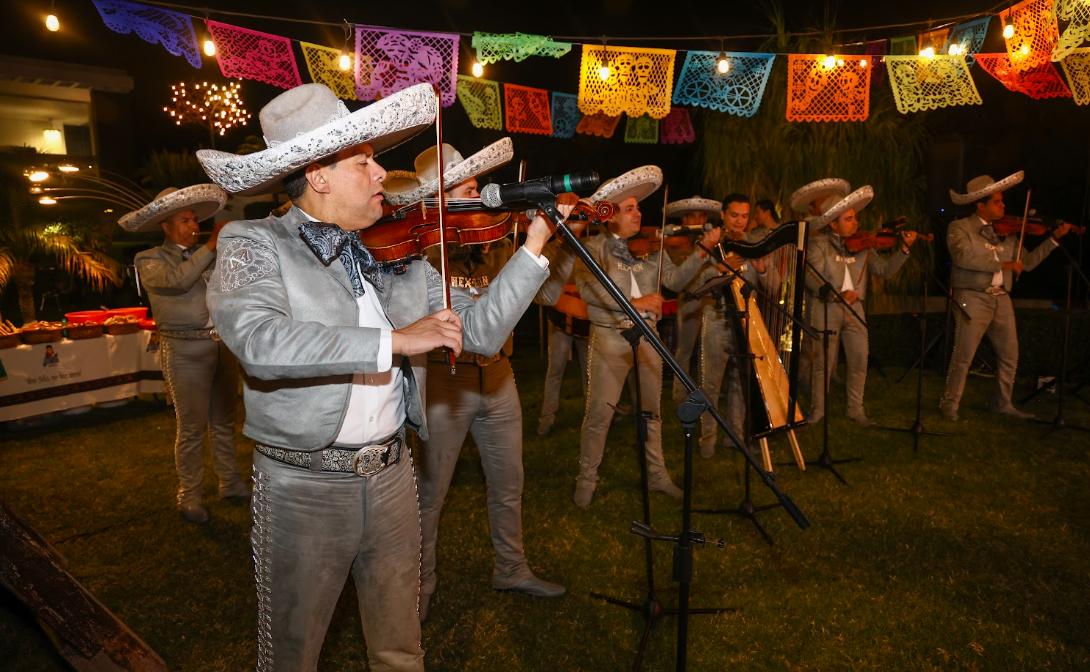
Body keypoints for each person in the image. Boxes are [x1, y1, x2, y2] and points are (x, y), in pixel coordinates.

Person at [198, 82, 571, 672]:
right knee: (293, 653)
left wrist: (532, 249)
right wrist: (394, 340)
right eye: (364, 161)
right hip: (305, 486)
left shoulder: (396, 253)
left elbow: (478, 334)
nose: (382, 173)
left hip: (394, 474)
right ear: (318, 175)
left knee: (400, 649)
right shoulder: (253, 243)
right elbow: (260, 342)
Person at [386, 139, 565, 623]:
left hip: (499, 377)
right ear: (436, 200)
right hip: (447, 383)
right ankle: (420, 590)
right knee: (430, 494)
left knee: (509, 483)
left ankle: (512, 567)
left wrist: (552, 242)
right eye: (467, 188)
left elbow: (535, 299)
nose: (482, 195)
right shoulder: (415, 255)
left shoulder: (489, 239)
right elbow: (474, 331)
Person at [573, 166, 722, 508]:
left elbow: (675, 281)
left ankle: (657, 476)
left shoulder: (653, 247)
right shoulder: (592, 248)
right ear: (610, 216)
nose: (638, 213)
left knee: (652, 412)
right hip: (611, 339)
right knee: (600, 414)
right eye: (629, 209)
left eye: (639, 208)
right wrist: (634, 302)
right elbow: (590, 289)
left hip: (650, 339)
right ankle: (587, 480)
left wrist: (701, 252)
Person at [120, 184, 247, 524]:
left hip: (222, 346)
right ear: (165, 225)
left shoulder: (210, 254)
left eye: (194, 219)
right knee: (191, 427)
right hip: (184, 350)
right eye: (185, 220)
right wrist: (210, 246)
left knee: (224, 420)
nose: (193, 225)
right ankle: (189, 495)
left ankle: (230, 482)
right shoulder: (148, 259)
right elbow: (177, 281)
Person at [939, 172, 1073, 421]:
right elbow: (963, 258)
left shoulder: (1009, 232)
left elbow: (1028, 262)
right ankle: (950, 404)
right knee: (964, 354)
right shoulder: (960, 228)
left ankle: (1002, 403)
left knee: (1010, 354)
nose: (1003, 206)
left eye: (1002, 201)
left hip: (1002, 298)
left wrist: (1053, 240)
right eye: (997, 202)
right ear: (981, 205)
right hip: (972, 296)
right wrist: (1002, 265)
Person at [805, 186, 917, 425]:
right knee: (823, 364)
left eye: (855, 218)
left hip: (856, 310)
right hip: (826, 309)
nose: (855, 223)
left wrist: (904, 250)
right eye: (849, 219)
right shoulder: (819, 244)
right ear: (833, 224)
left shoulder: (864, 244)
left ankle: (855, 409)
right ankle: (818, 411)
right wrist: (835, 294)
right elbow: (811, 276)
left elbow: (885, 270)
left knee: (859, 360)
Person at [692, 193, 776, 457]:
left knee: (741, 382)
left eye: (744, 216)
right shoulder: (710, 244)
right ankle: (707, 441)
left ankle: (735, 436)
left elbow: (772, 288)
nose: (740, 221)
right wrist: (721, 269)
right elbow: (694, 285)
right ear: (723, 215)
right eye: (734, 215)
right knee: (711, 383)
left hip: (746, 320)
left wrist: (762, 269)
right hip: (716, 318)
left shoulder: (754, 244)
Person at [535, 217, 590, 436]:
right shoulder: (550, 250)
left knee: (589, 371)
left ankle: (591, 417)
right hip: (559, 321)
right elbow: (547, 283)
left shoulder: (585, 249)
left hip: (584, 320)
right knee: (555, 370)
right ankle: (547, 419)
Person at [664, 196, 722, 403]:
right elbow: (679, 277)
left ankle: (708, 392)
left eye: (701, 215)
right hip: (688, 300)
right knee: (685, 349)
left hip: (711, 301)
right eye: (692, 216)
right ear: (684, 220)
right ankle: (680, 395)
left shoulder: (714, 241)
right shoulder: (676, 244)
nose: (697, 219)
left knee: (709, 350)